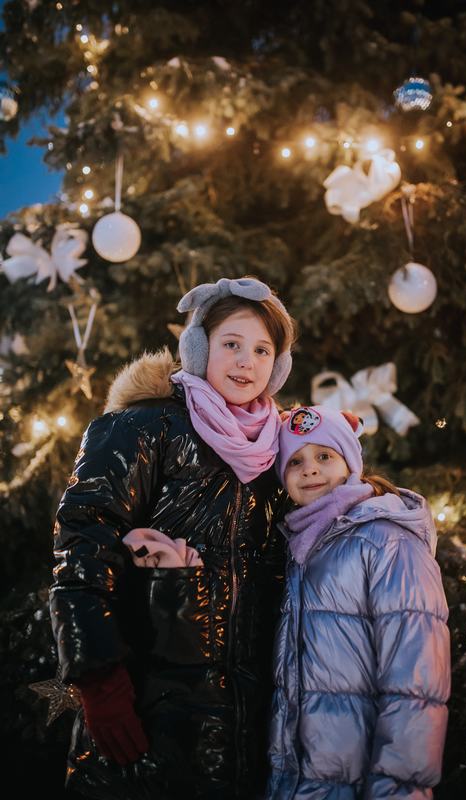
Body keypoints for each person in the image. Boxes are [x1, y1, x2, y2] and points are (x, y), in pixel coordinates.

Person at [49, 276, 297, 800]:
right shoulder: (141, 427)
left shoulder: (279, 449)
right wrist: (99, 676)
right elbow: (82, 543)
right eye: (231, 344)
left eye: (262, 350)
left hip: (245, 716)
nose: (246, 362)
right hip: (148, 700)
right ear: (198, 347)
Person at [266, 405, 451, 800]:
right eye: (295, 461)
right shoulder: (300, 545)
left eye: (324, 456)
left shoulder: (385, 540)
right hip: (304, 780)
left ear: (350, 461)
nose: (309, 470)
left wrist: (398, 787)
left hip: (365, 779)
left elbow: (416, 681)